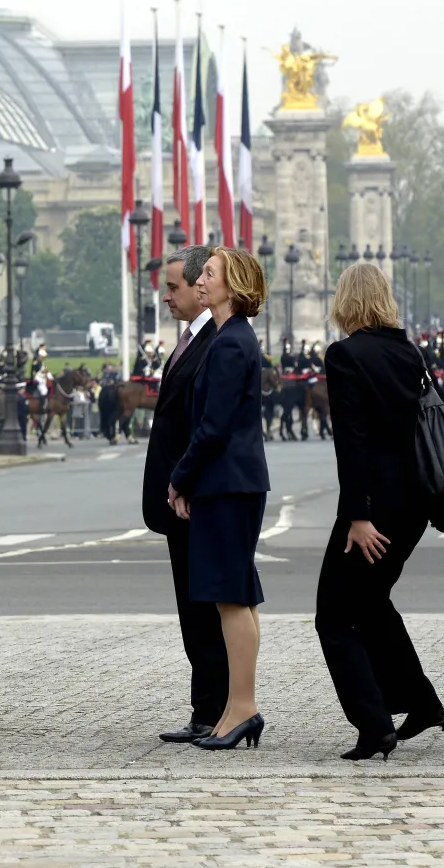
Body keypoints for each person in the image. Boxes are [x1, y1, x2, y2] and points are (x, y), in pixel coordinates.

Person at [315, 262, 444, 761]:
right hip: (413, 505)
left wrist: (357, 515)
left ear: (346, 300)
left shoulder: (345, 354)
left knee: (334, 615)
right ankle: (422, 703)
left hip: (372, 507)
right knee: (370, 603)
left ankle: (374, 726)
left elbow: (352, 441)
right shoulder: (409, 351)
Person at [168, 246, 271, 752]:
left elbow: (213, 428)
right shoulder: (232, 337)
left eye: (209, 274)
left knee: (230, 598)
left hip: (226, 483)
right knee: (238, 596)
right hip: (233, 482)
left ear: (234, 286)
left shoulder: (230, 343)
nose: (200, 280)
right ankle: (237, 706)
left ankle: (244, 707)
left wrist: (180, 478)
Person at [141, 246, 227, 744]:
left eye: (173, 287)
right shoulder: (192, 339)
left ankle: (214, 710)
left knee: (203, 611)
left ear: (199, 287)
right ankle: (205, 708)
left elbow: (206, 427)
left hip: (193, 500)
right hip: (180, 502)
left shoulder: (214, 340)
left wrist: (184, 482)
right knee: (192, 610)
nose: (166, 296)